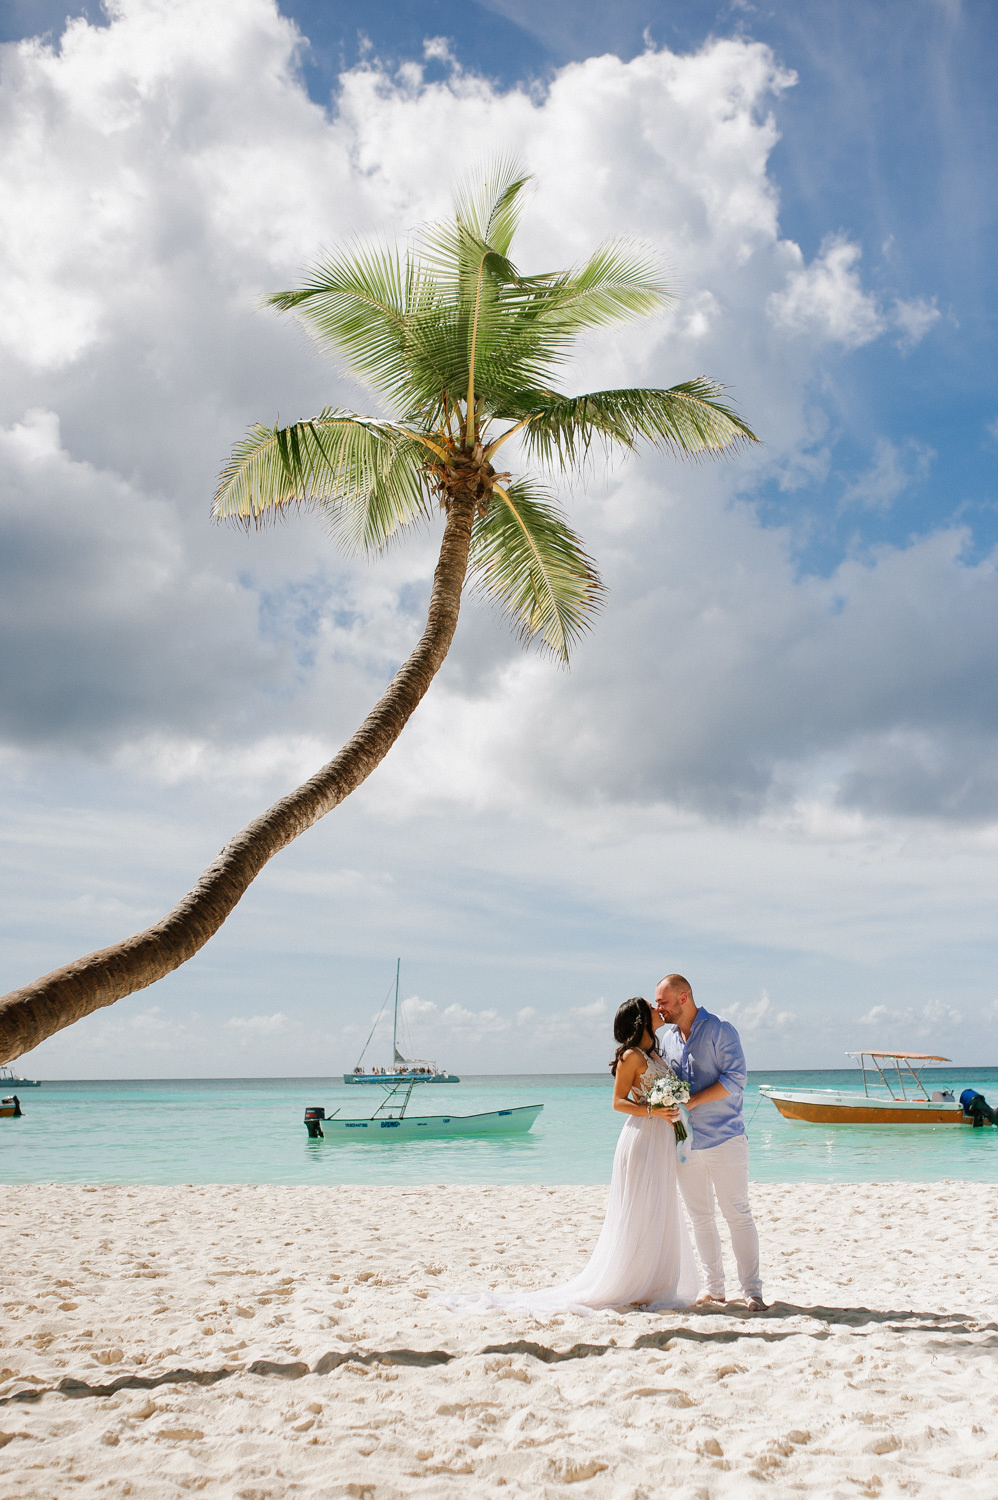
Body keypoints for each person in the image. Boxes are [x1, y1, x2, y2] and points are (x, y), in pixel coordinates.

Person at [439, 997, 699, 1315]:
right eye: (651, 1006)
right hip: (642, 1138)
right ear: (640, 1019)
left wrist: (671, 1109)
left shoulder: (652, 1053)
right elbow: (618, 1102)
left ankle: (651, 1283)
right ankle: (631, 1282)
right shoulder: (631, 1056)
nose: (658, 1009)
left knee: (659, 1208)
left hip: (660, 1138)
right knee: (641, 1210)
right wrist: (653, 1109)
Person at [655, 974, 767, 1312]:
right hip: (687, 1143)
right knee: (700, 1218)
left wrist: (690, 1101)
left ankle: (752, 1290)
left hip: (725, 1138)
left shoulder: (721, 1030)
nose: (659, 1008)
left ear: (684, 998)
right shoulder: (668, 1040)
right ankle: (714, 1288)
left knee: (738, 1215)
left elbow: (735, 1080)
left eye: (663, 1002)